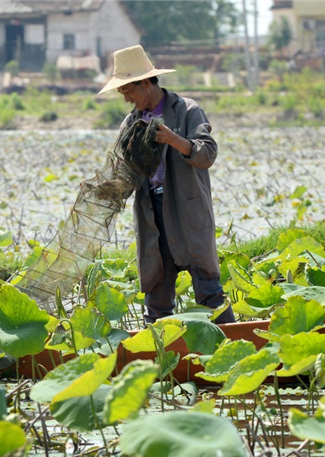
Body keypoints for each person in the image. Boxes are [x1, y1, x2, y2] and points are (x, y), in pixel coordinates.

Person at [97, 45, 235, 324]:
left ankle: (234, 344)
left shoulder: (188, 111)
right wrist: (107, 188)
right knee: (156, 294)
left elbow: (207, 155)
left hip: (187, 210)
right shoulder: (131, 122)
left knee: (208, 289)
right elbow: (127, 172)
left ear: (146, 83)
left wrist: (174, 139)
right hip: (151, 214)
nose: (127, 99)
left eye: (129, 92)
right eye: (123, 94)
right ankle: (158, 357)